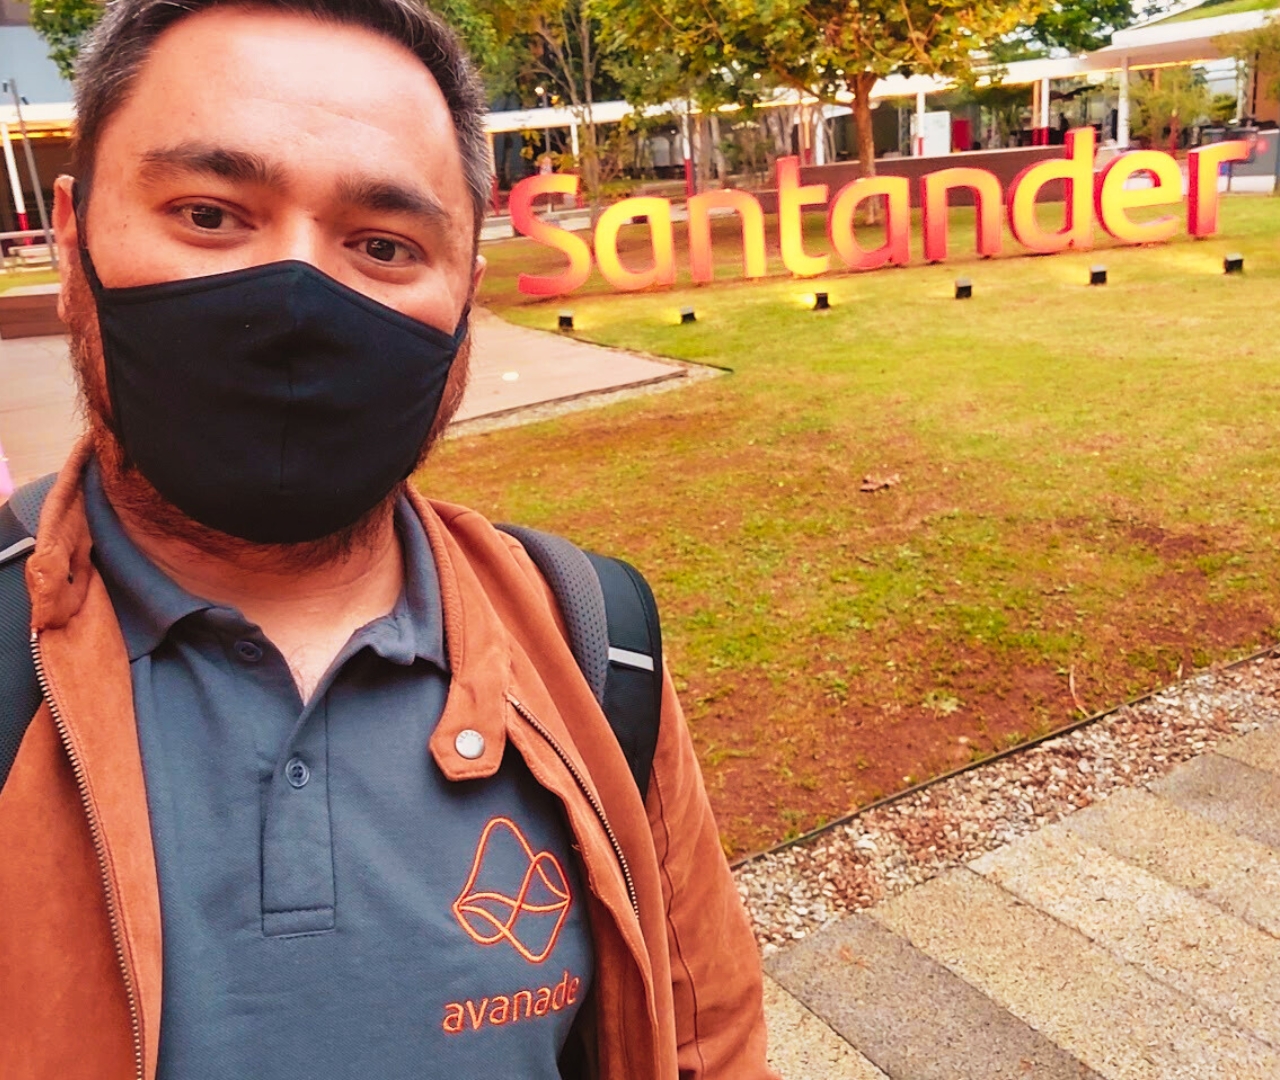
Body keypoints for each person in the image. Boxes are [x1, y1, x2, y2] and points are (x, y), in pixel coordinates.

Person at [0, 2, 778, 1078]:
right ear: (73, 235)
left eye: (382, 245)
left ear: (465, 296)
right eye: (209, 215)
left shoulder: (589, 641)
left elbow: (705, 1039)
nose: (295, 300)